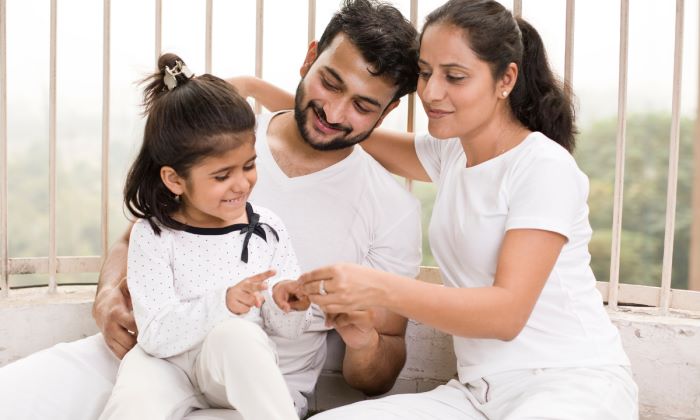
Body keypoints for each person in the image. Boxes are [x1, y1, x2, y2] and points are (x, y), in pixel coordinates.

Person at [0, 1, 421, 419]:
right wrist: (108, 294)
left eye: (363, 106)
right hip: (147, 356)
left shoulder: (390, 209)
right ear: (310, 58)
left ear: (388, 111)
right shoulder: (224, 135)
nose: (334, 111)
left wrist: (364, 340)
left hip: (256, 390)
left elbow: (379, 373)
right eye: (330, 83)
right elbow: (139, 236)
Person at [292, 0, 638, 418]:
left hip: (571, 384)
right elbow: (346, 126)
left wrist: (377, 287)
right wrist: (252, 89)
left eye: (454, 77)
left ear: (506, 79)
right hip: (478, 394)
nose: (431, 92)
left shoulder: (543, 165)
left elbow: (506, 315)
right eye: (425, 73)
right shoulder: (452, 154)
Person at [98, 53, 314, 420]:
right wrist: (224, 302)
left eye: (249, 165)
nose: (241, 184)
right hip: (166, 364)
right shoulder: (153, 234)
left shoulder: (268, 229)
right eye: (222, 176)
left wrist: (289, 303)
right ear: (174, 180)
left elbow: (288, 332)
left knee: (239, 336)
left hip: (228, 367)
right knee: (135, 392)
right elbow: (155, 336)